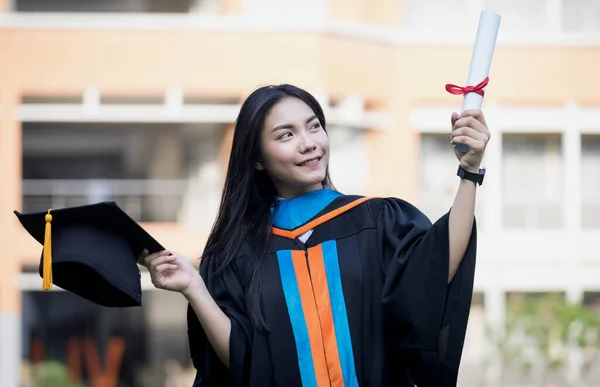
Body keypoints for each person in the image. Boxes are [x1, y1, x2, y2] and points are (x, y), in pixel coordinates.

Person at [138, 84, 489, 387]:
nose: (308, 143)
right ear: (257, 159)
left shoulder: (375, 221)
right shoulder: (236, 252)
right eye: (286, 135)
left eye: (314, 127)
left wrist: (469, 171)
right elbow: (243, 363)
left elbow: (436, 267)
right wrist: (193, 288)